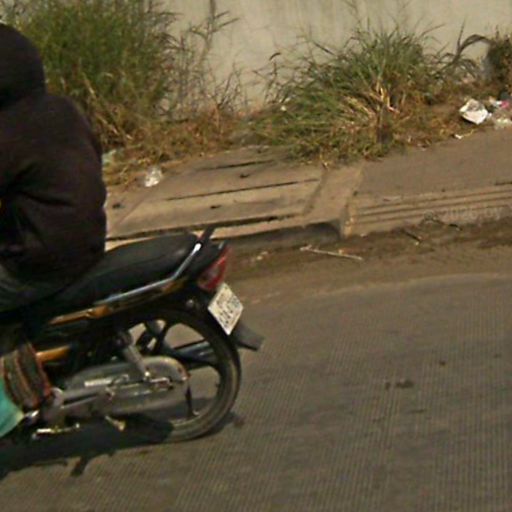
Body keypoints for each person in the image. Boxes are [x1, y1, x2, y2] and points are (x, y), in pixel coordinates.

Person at [0, 24, 107, 436]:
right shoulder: (63, 109)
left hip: (41, 260)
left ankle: (9, 410)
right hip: (84, 240)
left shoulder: (9, 131)